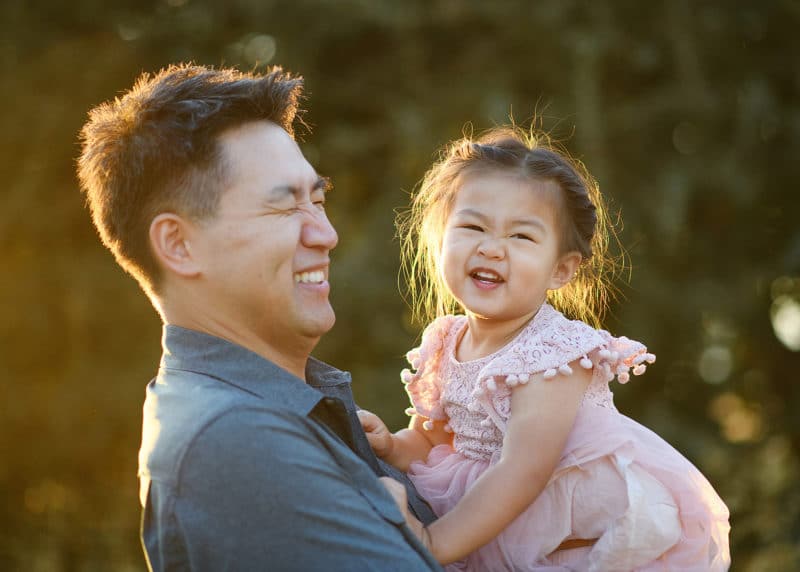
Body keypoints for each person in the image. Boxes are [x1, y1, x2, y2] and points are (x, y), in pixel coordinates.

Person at [77, 63, 441, 571]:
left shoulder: (269, 408)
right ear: (179, 245)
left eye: (317, 198)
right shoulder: (233, 442)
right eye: (285, 208)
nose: (325, 234)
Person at [358, 127, 731, 571]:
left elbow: (523, 472)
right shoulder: (446, 338)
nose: (492, 248)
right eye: (473, 226)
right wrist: (394, 446)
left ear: (561, 269)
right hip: (486, 512)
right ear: (440, 240)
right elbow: (436, 439)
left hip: (569, 528)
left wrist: (433, 542)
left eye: (521, 237)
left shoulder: (552, 354)